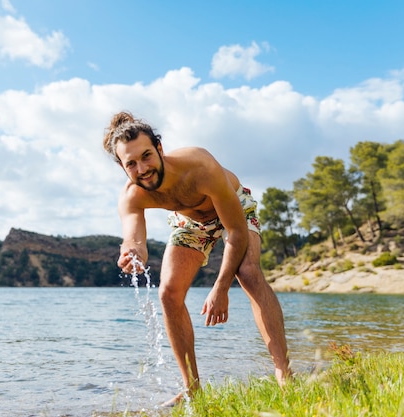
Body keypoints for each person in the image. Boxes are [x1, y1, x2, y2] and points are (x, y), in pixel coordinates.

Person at [103, 111, 291, 406]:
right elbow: (134, 237)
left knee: (249, 272)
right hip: (190, 223)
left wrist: (221, 288)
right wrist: (133, 250)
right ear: (123, 168)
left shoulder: (200, 166)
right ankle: (192, 389)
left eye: (147, 156)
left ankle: (283, 373)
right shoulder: (133, 196)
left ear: (160, 149)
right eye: (131, 164)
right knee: (168, 294)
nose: (142, 168)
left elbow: (236, 231)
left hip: (233, 210)